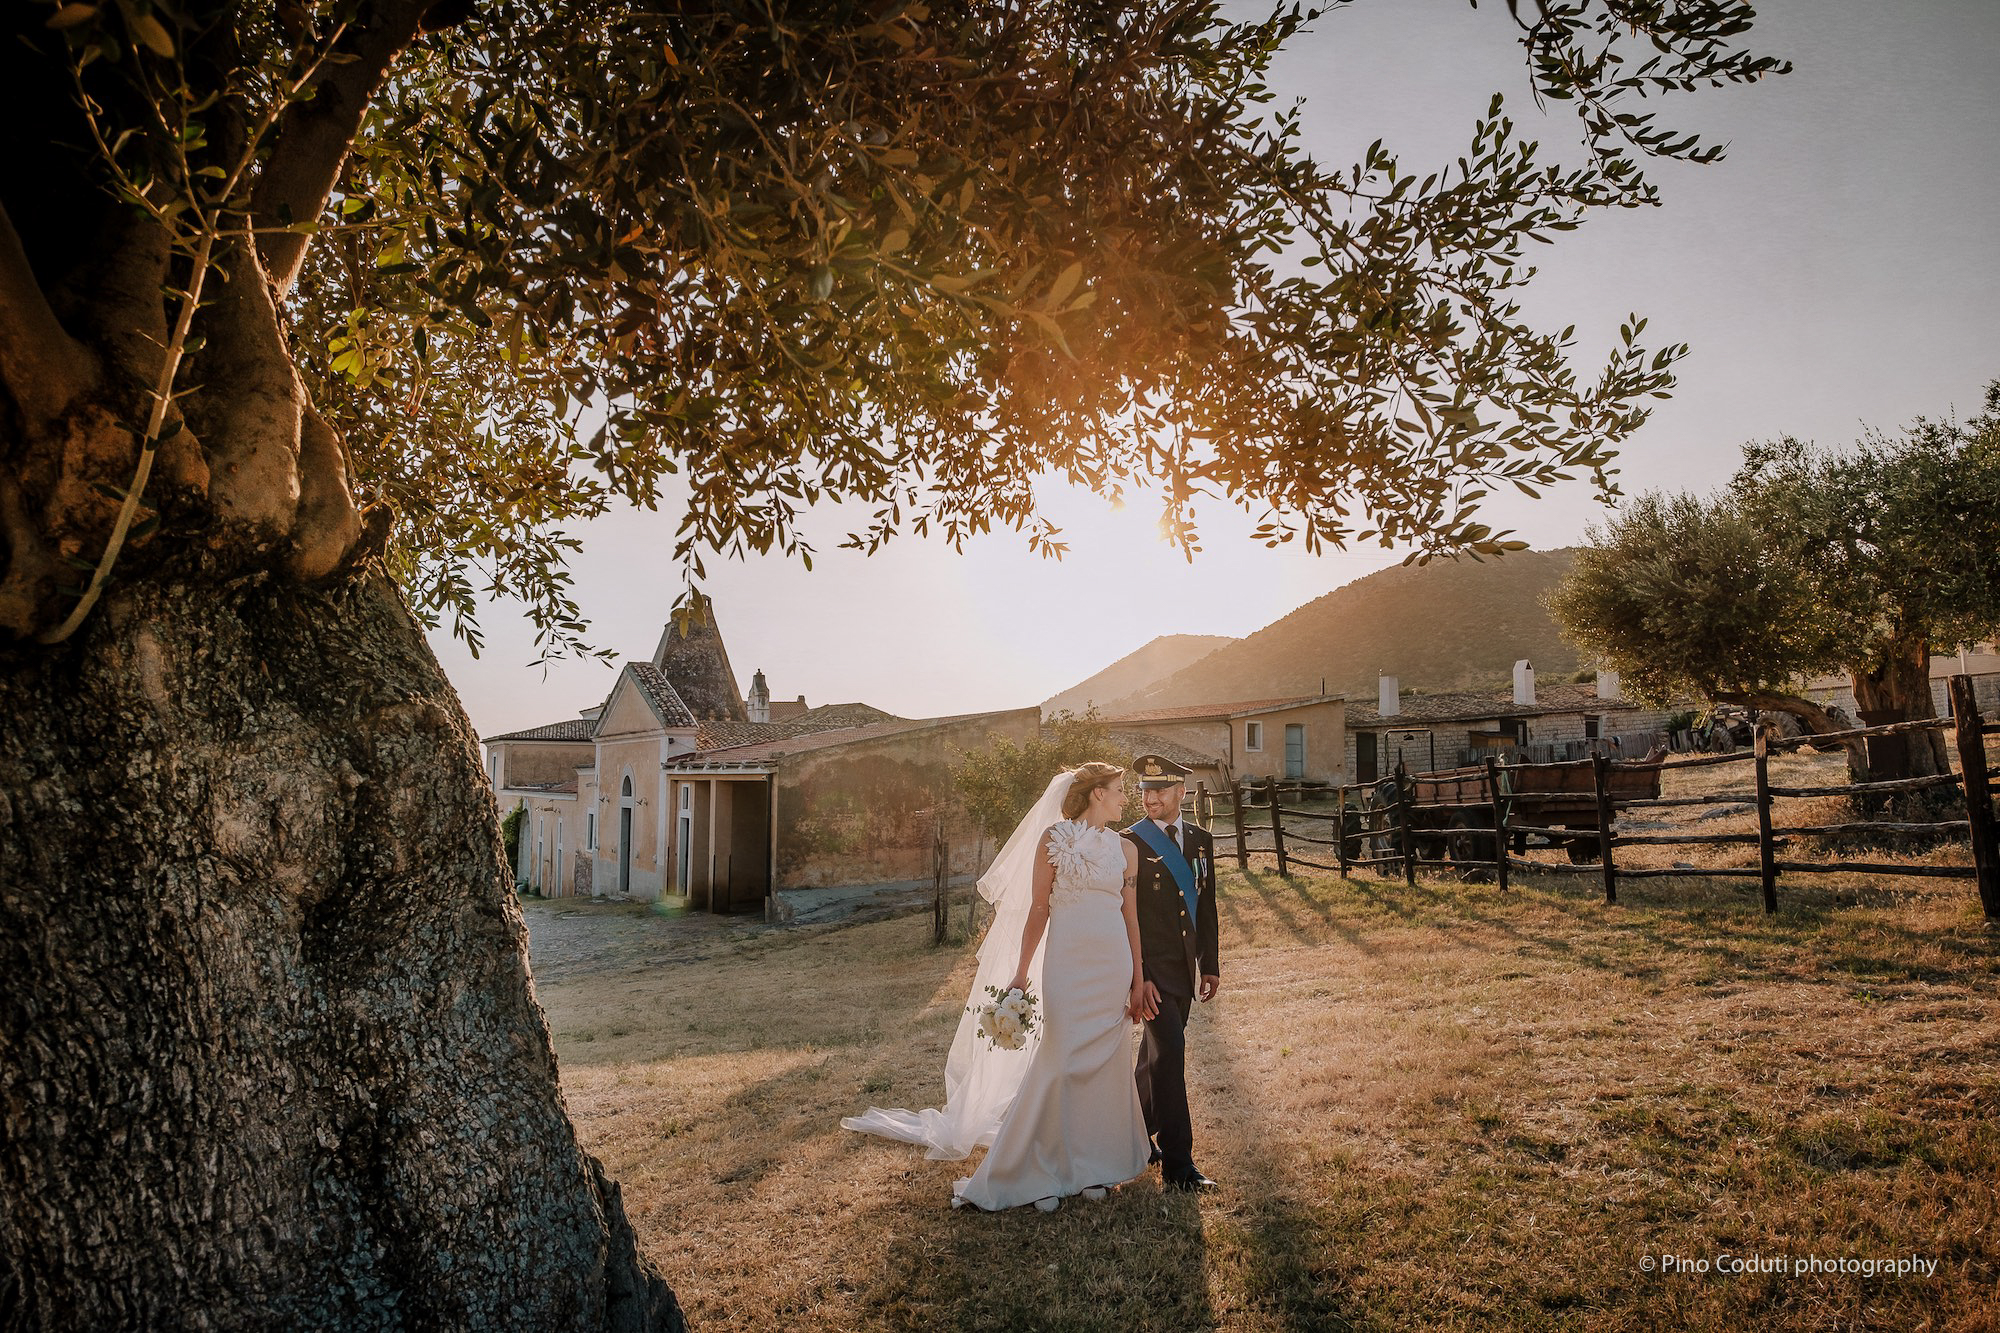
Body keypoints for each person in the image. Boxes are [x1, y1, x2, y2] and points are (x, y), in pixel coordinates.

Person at [841, 763, 1154, 1212]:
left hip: (1112, 966)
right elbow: (1039, 911)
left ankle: (1094, 1167)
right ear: (1096, 794)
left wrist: (1138, 978)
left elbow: (1131, 916)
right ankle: (1038, 1169)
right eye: (1119, 790)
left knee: (1105, 1065)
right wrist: (1021, 972)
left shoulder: (1126, 850)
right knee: (1061, 1061)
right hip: (1067, 964)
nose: (1126, 798)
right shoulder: (1053, 841)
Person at [1123, 754, 1221, 1192]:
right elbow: (1125, 917)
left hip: (1184, 971)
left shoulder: (1200, 839)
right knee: (1170, 1062)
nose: (1150, 797)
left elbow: (1207, 905)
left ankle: (1135, 1137)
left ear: (1181, 791)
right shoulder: (1130, 842)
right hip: (1151, 973)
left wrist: (1210, 964)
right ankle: (1179, 1166)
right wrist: (1137, 975)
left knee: (1153, 1060)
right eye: (1145, 789)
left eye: (1160, 789)